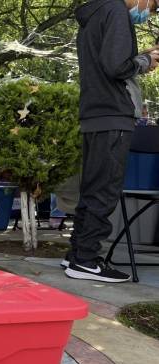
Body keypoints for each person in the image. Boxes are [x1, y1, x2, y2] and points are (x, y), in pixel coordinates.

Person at [65, 0, 159, 282]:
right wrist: (145, 62)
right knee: (104, 191)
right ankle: (85, 260)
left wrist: (139, 57)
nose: (150, 11)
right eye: (153, 5)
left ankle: (77, 254)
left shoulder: (95, 14)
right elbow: (116, 66)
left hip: (95, 112)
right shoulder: (117, 11)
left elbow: (107, 60)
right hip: (113, 114)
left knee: (92, 189)